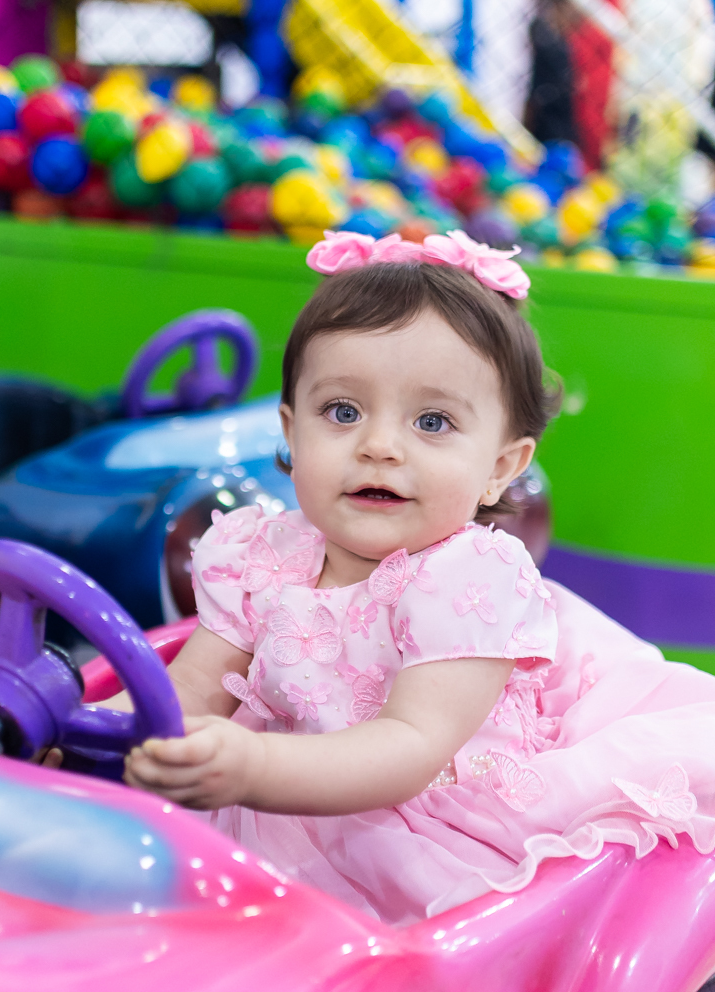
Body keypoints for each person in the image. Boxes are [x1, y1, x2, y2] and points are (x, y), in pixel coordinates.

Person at [124, 229, 715, 926]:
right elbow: (192, 687)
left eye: (432, 421)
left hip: (409, 825)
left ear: (500, 468)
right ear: (291, 430)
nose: (378, 445)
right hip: (263, 798)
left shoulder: (469, 579)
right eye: (342, 412)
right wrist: (103, 731)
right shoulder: (259, 552)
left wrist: (252, 766)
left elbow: (411, 744)